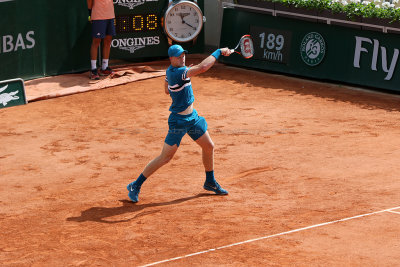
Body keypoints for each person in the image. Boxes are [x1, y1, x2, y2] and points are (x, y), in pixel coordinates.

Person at [126, 45, 232, 203]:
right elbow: (203, 67)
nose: (182, 58)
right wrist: (219, 52)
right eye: (178, 56)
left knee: (208, 146)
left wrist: (185, 74)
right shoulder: (178, 73)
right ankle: (136, 184)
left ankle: (209, 181)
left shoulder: (171, 72)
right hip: (179, 122)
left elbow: (167, 90)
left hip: (192, 118)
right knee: (165, 157)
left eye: (183, 55)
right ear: (171, 59)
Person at [87, 0, 116, 80]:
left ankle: (104, 67)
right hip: (98, 15)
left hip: (110, 15)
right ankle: (93, 69)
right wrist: (90, 12)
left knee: (108, 41)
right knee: (96, 42)